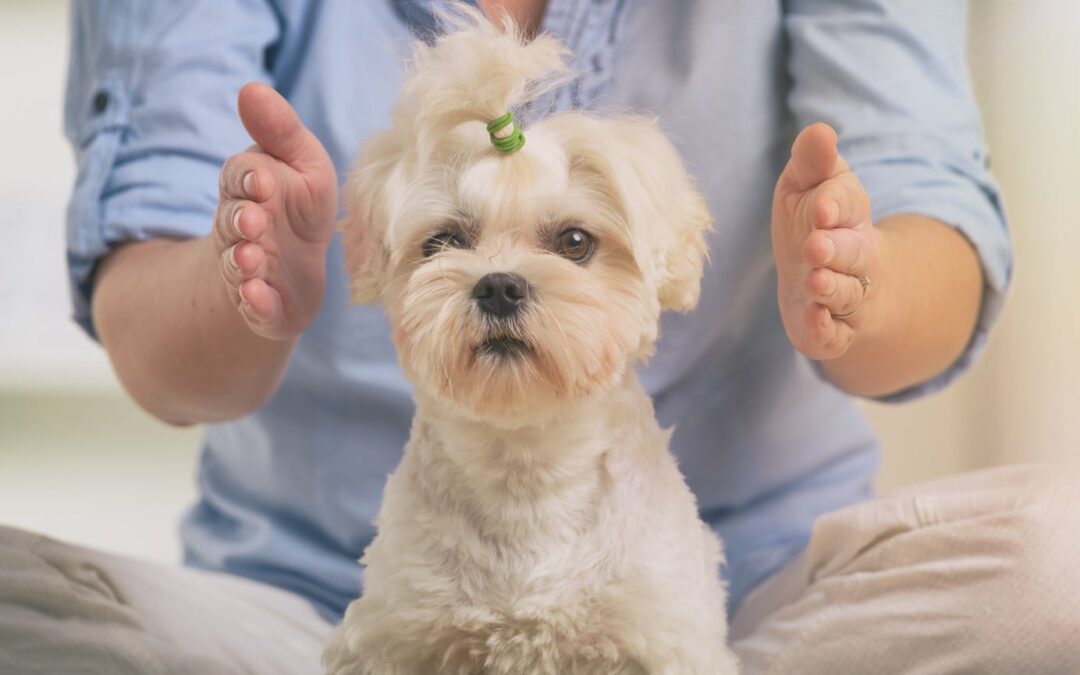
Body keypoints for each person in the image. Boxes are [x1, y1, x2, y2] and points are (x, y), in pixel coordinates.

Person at [1, 0, 1077, 673]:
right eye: (448, 243)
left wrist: (859, 282)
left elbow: (928, 204)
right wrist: (238, 285)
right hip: (309, 605)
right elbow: (151, 316)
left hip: (762, 604)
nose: (504, 283)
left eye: (569, 240)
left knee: (1057, 564)